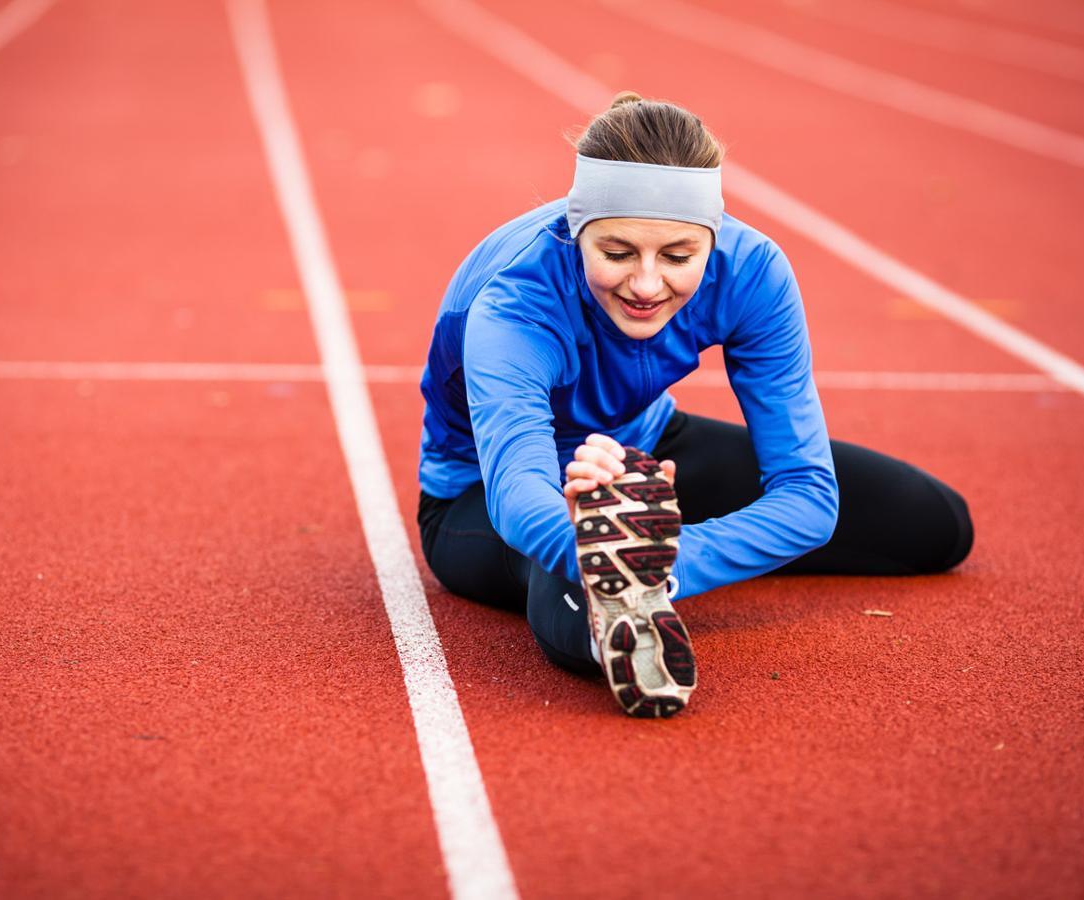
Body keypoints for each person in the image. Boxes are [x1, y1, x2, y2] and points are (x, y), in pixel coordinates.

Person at [415, 92, 973, 718]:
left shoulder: (753, 272)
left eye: (678, 257)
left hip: (649, 448)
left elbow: (809, 495)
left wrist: (661, 564)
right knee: (573, 604)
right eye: (617, 253)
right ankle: (614, 611)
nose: (648, 284)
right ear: (577, 233)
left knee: (937, 525)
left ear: (713, 238)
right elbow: (517, 496)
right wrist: (597, 553)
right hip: (484, 497)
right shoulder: (515, 303)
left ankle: (637, 565)